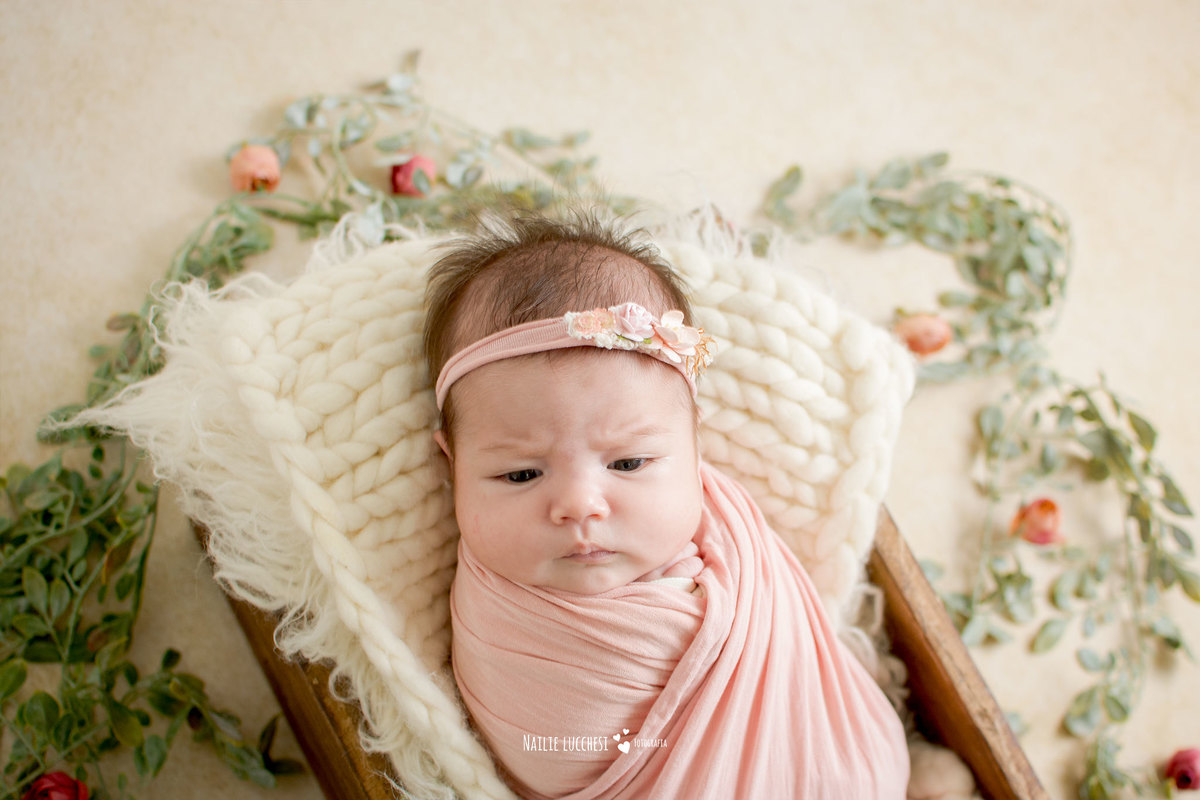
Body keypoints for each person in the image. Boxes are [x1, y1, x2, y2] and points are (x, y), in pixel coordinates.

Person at [424, 211, 910, 799]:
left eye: (628, 464)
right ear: (451, 465)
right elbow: (550, 755)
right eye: (520, 473)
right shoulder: (508, 627)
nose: (580, 506)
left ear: (693, 444)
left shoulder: (734, 537)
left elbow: (794, 668)